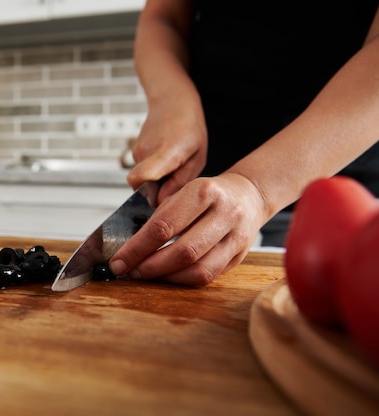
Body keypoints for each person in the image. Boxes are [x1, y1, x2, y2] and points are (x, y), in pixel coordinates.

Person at [108, 0, 379, 286]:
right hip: (203, 202)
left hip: (342, 200)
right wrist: (170, 99)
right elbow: (163, 17)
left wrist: (255, 188)